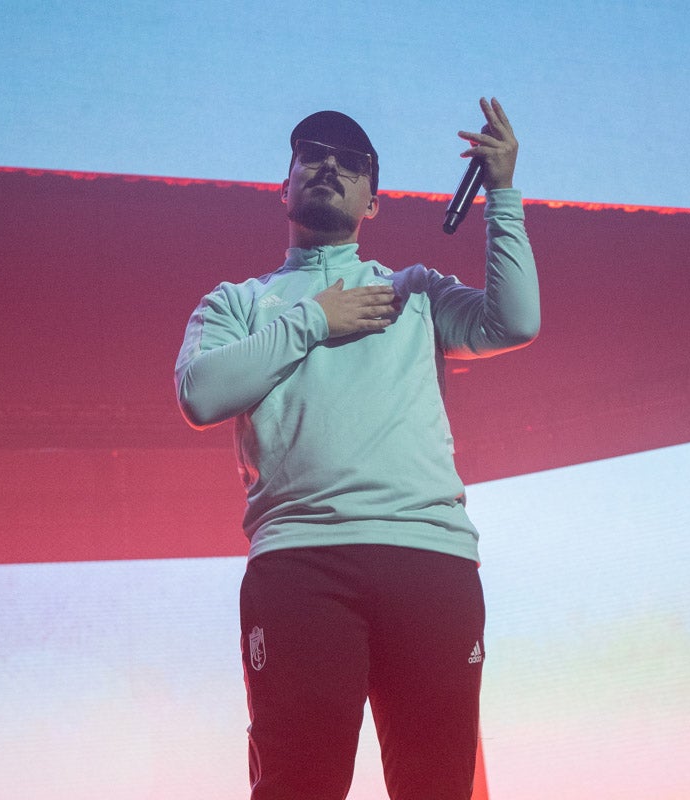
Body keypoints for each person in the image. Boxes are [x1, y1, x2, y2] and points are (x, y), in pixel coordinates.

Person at [174, 97, 539, 800]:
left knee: (437, 787)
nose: (329, 165)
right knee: (297, 785)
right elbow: (199, 394)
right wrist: (314, 319)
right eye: (312, 154)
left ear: (374, 202)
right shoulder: (238, 303)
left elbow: (514, 321)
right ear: (283, 187)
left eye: (351, 163)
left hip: (430, 561)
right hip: (301, 566)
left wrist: (502, 192)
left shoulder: (415, 294)